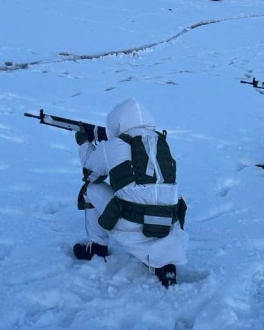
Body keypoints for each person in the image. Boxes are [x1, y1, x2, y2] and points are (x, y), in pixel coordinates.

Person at [74, 98, 187, 287]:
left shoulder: (116, 145)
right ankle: (162, 263)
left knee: (90, 189)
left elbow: (90, 172)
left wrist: (85, 144)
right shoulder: (163, 143)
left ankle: (97, 248)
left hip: (132, 222)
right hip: (167, 224)